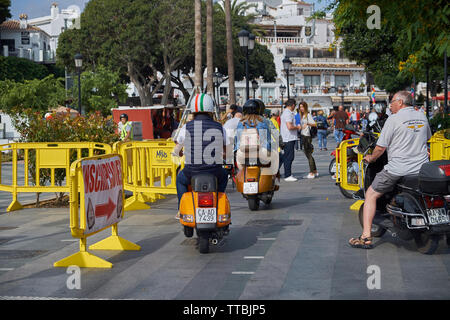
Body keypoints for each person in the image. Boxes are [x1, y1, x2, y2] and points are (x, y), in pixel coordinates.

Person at [349, 91, 431, 249]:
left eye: (392, 102)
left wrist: (371, 158)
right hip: (420, 169)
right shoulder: (421, 115)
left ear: (400, 102)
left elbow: (380, 148)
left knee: (371, 194)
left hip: (398, 169)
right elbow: (427, 138)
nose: (390, 105)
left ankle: (366, 237)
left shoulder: (393, 119)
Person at [173, 93, 229, 213]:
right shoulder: (219, 127)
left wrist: (182, 153)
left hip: (192, 171)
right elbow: (226, 150)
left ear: (193, 110)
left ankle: (180, 209)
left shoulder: (186, 127)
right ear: (211, 109)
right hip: (214, 170)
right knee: (224, 176)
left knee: (180, 180)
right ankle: (218, 201)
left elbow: (177, 146)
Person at [235, 99, 278, 173]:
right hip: (263, 152)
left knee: (239, 166)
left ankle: (242, 177)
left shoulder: (241, 122)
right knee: (276, 157)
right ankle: (274, 178)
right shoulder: (265, 121)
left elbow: (237, 140)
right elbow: (273, 135)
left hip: (243, 152)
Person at [279, 99, 302, 181]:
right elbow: (289, 126)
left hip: (288, 137)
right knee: (289, 157)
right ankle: (287, 175)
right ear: (292, 105)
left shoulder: (286, 113)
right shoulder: (288, 114)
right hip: (288, 138)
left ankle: (284, 173)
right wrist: (298, 127)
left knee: (286, 157)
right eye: (294, 105)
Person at [298, 102, 318, 179]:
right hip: (303, 135)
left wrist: (307, 124)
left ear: (305, 107)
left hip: (307, 136)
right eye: (300, 107)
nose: (301, 108)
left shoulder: (308, 115)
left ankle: (311, 172)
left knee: (308, 154)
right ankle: (315, 171)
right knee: (308, 154)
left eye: (302, 107)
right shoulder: (302, 115)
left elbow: (314, 124)